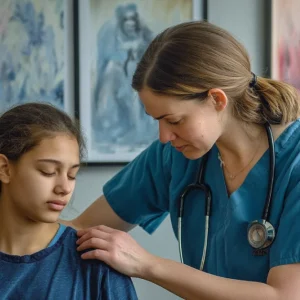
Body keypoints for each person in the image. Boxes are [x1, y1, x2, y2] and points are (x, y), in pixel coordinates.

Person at [64, 21, 300, 299]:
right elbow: (82, 227)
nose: (164, 136)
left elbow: (284, 295)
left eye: (174, 120)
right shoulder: (174, 156)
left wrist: (147, 265)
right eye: (157, 121)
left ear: (216, 100)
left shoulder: (293, 162)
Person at [0, 103, 138, 299]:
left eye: (72, 175)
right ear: (4, 169)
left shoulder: (95, 262)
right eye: (47, 171)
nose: (64, 188)